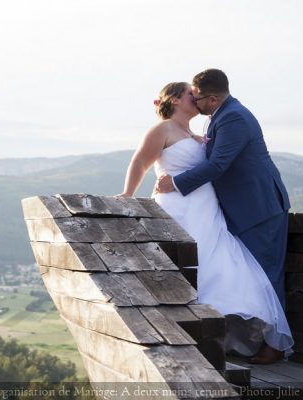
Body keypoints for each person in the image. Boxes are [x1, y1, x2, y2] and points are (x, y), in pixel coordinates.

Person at [118, 80, 293, 364]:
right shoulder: (162, 129)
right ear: (174, 100)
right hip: (179, 207)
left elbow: (215, 166)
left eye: (197, 94)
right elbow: (140, 162)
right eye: (190, 94)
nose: (195, 98)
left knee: (220, 265)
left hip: (208, 209)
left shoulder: (199, 131)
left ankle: (216, 336)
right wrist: (128, 194)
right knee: (186, 265)